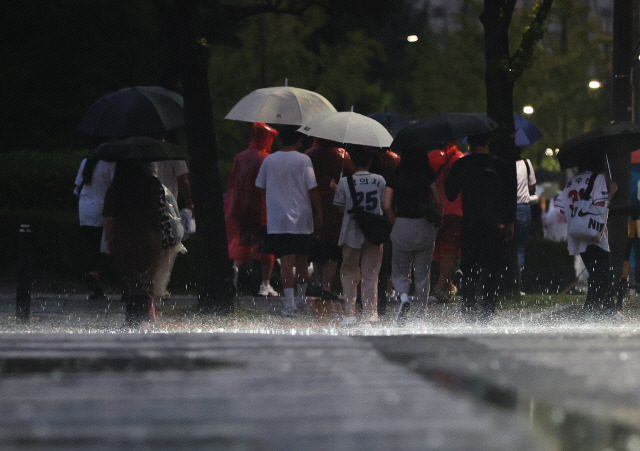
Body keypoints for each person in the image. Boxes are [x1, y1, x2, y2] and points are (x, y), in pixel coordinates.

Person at [445, 132, 516, 323]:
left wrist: (448, 174)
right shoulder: (500, 165)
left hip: (470, 221)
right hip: (495, 223)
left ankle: (468, 306)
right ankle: (488, 307)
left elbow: (451, 194)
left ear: (468, 142)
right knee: (491, 266)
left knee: (469, 266)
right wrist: (510, 222)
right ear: (489, 141)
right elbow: (510, 196)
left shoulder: (461, 165)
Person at [255, 125, 323, 317]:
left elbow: (259, 186)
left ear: (280, 139)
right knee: (302, 258)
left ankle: (289, 304)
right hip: (302, 216)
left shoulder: (270, 160)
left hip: (278, 218)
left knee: (286, 259)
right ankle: (302, 299)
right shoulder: (304, 160)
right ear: (300, 140)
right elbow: (313, 188)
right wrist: (319, 212)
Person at [103, 161, 166, 326]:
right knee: (145, 279)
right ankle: (141, 319)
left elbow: (110, 219)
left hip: (125, 238)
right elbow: (162, 210)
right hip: (151, 236)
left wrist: (108, 238)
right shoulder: (153, 184)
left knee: (131, 281)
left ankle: (134, 320)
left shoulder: (117, 187)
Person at [554, 155, 618, 314]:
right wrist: (612, 192)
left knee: (597, 272)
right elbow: (601, 205)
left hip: (577, 232)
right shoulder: (599, 179)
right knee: (602, 276)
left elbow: (561, 208)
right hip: (594, 233)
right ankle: (590, 311)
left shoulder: (571, 181)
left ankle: (609, 309)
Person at [383, 148, 440, 320]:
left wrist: (394, 222)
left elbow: (386, 205)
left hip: (402, 224)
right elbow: (438, 200)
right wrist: (438, 220)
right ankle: (420, 315)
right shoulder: (428, 174)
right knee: (422, 273)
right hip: (424, 225)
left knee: (400, 270)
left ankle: (404, 297)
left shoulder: (395, 175)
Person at [225, 122, 280, 296]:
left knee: (243, 243)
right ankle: (265, 284)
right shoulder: (267, 158)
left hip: (242, 209)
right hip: (262, 210)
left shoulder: (240, 157)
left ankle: (234, 268)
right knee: (266, 247)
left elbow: (234, 183)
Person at [333, 147, 386, 326]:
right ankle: (369, 316)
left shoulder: (345, 181)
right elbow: (384, 205)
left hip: (351, 231)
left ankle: (349, 314)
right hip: (373, 232)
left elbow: (340, 208)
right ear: (370, 161)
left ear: (352, 161)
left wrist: (335, 188)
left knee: (349, 272)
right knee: (371, 273)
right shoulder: (379, 180)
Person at [305, 137, 355, 300]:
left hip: (313, 203)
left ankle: (319, 283)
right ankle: (326, 286)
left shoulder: (308, 155)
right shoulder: (342, 155)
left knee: (318, 243)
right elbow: (351, 177)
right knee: (333, 245)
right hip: (335, 203)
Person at [73, 157, 116, 299]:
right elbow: (113, 185)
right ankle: (98, 276)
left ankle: (93, 275)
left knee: (90, 244)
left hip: (84, 207)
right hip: (101, 207)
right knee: (102, 244)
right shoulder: (110, 163)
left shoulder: (86, 161)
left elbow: (78, 184)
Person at [428, 142, 465, 302]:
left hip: (437, 210)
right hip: (456, 212)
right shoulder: (461, 159)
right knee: (449, 252)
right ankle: (440, 288)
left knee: (437, 250)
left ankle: (447, 286)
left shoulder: (432, 158)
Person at [371, 148, 401, 315]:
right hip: (386, 221)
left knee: (368, 265)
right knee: (384, 261)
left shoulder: (370, 165)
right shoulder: (392, 164)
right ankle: (382, 300)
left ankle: (367, 301)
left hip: (368, 221)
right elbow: (387, 203)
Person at [514, 149, 537, 292]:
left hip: (505, 208)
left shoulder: (500, 163)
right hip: (523, 208)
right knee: (520, 248)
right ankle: (517, 284)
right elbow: (532, 186)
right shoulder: (526, 163)